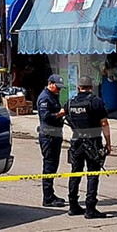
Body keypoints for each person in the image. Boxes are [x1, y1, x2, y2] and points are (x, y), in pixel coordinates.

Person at [63, 76, 111, 219]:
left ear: (79, 87)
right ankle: (90, 208)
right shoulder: (96, 102)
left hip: (76, 142)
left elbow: (60, 114)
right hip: (93, 143)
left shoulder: (70, 103)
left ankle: (73, 205)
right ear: (91, 87)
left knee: (75, 173)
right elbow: (104, 124)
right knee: (93, 175)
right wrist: (108, 143)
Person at [37, 74, 67, 208]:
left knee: (53, 166)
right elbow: (45, 117)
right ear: (50, 83)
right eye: (57, 87)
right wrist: (59, 114)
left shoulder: (53, 96)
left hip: (55, 135)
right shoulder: (44, 97)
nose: (59, 90)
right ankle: (47, 198)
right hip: (48, 136)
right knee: (49, 166)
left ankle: (51, 194)